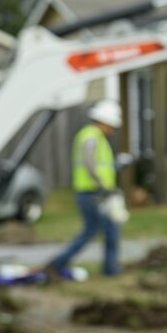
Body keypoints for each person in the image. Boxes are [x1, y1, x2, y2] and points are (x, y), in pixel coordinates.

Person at [49, 99, 124, 280]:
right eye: (111, 125)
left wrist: (117, 166)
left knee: (108, 229)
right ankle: (59, 263)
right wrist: (103, 186)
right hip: (92, 193)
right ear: (104, 121)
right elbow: (90, 163)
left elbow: (101, 166)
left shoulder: (97, 138)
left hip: (97, 192)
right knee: (96, 230)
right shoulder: (91, 136)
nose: (112, 129)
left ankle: (110, 268)